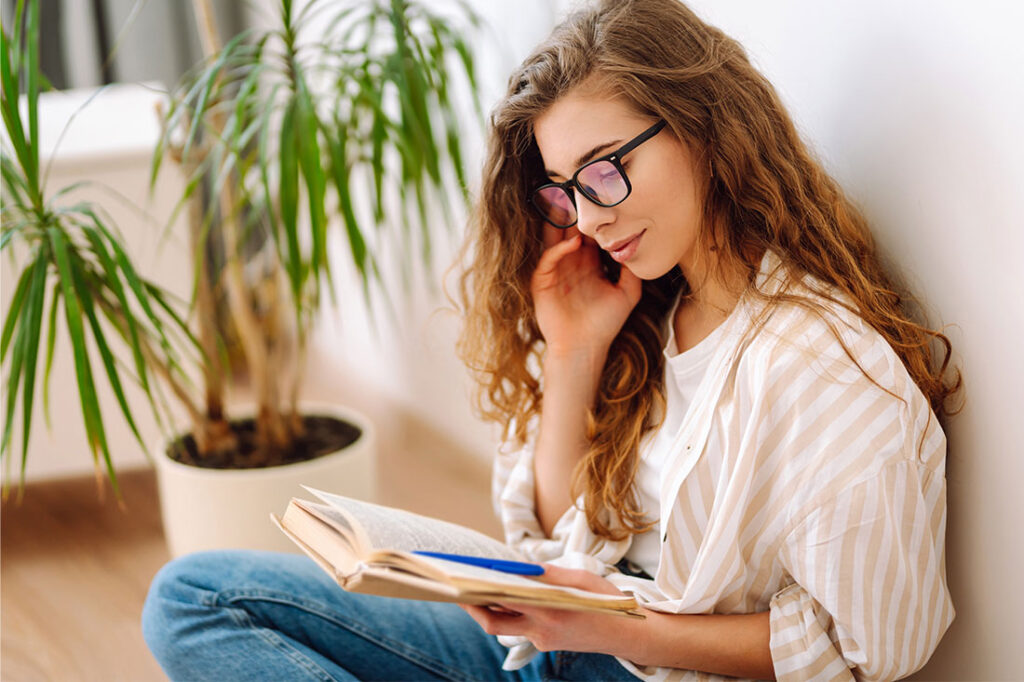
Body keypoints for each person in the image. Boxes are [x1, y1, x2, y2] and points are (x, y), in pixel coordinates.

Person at [142, 0, 960, 679]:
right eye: (567, 192)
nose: (593, 216)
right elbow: (554, 534)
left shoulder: (828, 373)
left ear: (705, 128)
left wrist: (620, 634)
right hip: (562, 651)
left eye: (607, 169)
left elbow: (864, 651)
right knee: (194, 597)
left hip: (638, 663)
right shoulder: (647, 313)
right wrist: (574, 355)